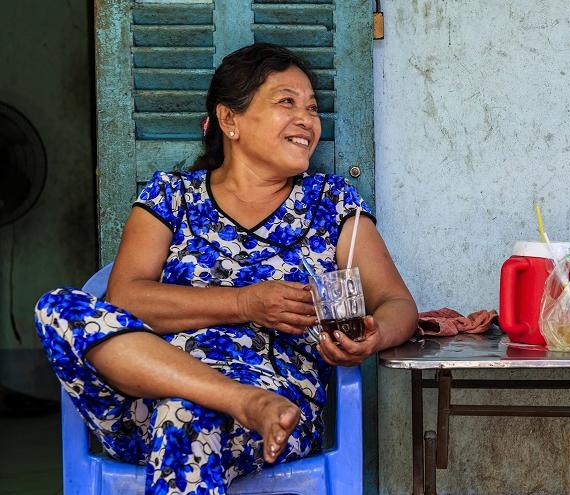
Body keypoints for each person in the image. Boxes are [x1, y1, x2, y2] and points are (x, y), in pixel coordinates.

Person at [34, 43, 417, 494]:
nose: (307, 119)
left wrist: (375, 334)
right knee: (57, 306)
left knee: (185, 414)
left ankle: (238, 400)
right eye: (286, 102)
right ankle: (236, 399)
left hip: (274, 411)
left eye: (312, 108)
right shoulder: (172, 196)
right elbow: (126, 297)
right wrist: (246, 302)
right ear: (229, 120)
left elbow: (397, 304)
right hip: (143, 398)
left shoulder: (331, 204)